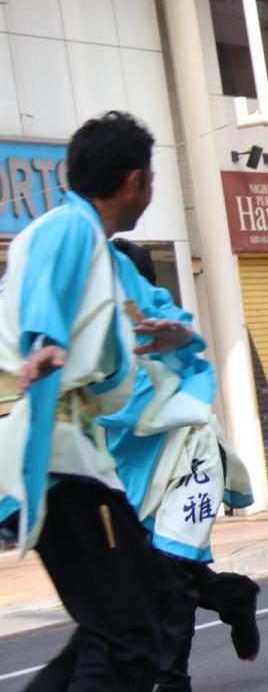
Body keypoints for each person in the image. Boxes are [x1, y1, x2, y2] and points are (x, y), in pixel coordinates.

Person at [0, 111, 195, 691]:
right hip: (62, 461)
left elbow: (152, 310)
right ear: (135, 180)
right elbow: (44, 293)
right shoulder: (68, 230)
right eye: (152, 177)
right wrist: (45, 341)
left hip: (78, 460)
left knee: (139, 607)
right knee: (127, 635)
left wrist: (177, 335)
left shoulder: (102, 252)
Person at [104, 238, 260, 691]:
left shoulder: (161, 327)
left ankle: (171, 681)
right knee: (159, 567)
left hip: (189, 456)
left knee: (168, 573)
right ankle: (233, 595)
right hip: (140, 464)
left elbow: (136, 406)